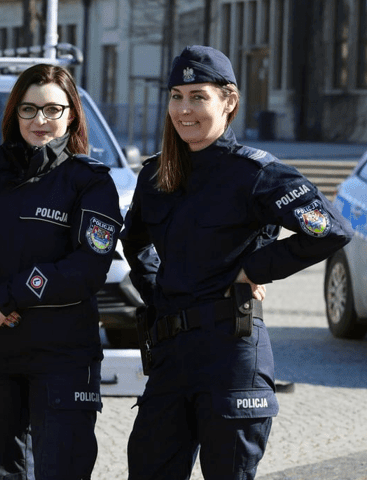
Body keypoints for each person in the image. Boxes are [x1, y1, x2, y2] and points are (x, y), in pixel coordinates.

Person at [121, 45, 354, 480]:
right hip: (170, 355)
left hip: (231, 351)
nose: (183, 109)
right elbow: (135, 244)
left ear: (228, 100)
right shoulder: (156, 176)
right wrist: (161, 294)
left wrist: (255, 269)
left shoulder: (256, 173)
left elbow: (329, 230)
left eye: (198, 96)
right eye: (176, 96)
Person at [0, 64, 123, 479]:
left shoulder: (90, 183)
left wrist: (9, 296)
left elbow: (88, 267)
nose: (40, 120)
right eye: (29, 109)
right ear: (14, 114)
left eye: (53, 109)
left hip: (63, 356)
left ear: (71, 114)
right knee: (1, 471)